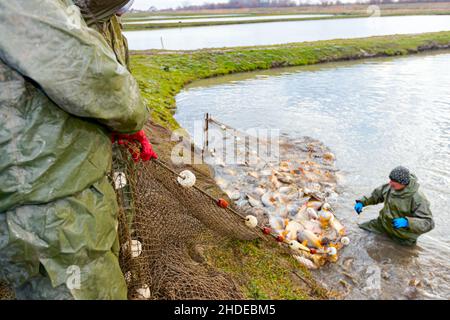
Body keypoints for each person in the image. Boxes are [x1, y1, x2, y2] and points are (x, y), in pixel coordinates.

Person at [0, 0, 156, 299]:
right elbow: (92, 74)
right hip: (47, 206)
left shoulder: (100, 19)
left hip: (63, 191)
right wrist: (130, 120)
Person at [354, 166, 434, 246]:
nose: (390, 183)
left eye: (393, 181)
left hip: (402, 235)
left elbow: (428, 223)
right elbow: (376, 195)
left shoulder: (418, 198)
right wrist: (362, 202)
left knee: (404, 255)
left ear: (403, 183)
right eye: (390, 180)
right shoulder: (390, 186)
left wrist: (408, 222)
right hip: (383, 224)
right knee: (358, 230)